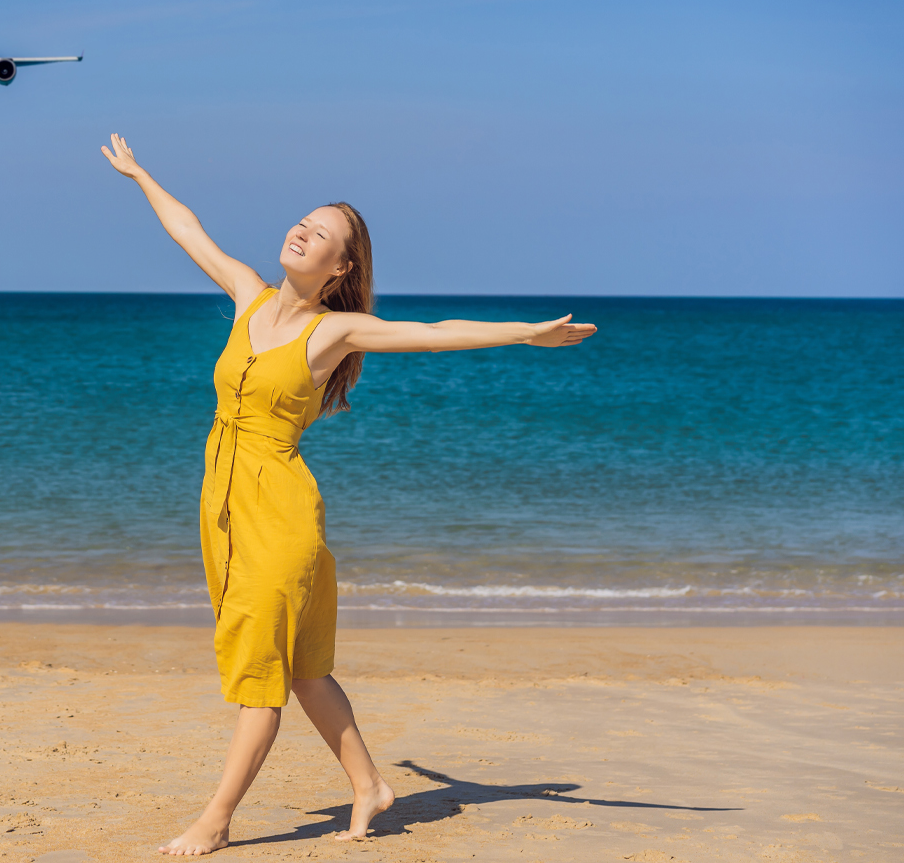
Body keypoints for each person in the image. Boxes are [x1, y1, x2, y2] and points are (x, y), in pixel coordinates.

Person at [100, 133, 597, 856]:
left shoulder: (335, 330)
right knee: (304, 671)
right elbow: (189, 230)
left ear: (341, 268)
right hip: (225, 511)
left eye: (323, 234)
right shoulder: (247, 297)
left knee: (261, 680)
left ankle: (216, 818)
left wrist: (526, 333)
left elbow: (432, 334)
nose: (303, 231)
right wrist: (141, 174)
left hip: (279, 516)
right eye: (302, 221)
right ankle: (370, 784)